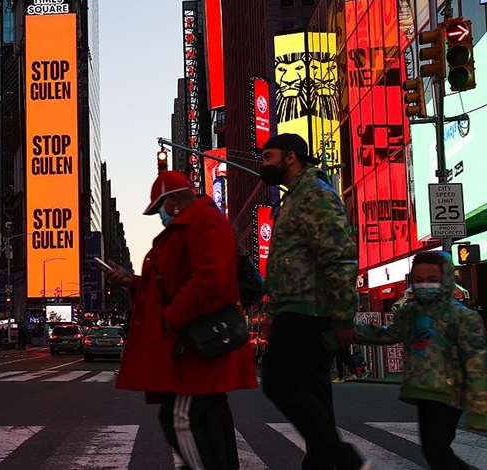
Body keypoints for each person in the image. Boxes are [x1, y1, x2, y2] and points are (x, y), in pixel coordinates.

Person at [105, 171, 256, 470]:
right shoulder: (194, 223)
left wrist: (170, 319)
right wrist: (132, 282)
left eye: (159, 208)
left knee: (179, 416)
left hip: (194, 345)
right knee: (208, 418)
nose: (160, 216)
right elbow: (172, 281)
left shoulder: (202, 222)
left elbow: (209, 278)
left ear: (173, 200)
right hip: (194, 342)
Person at [258, 134, 369, 470]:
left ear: (290, 157)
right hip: (297, 308)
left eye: (268, 156)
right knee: (314, 393)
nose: (264, 164)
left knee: (279, 381)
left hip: (307, 309)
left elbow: (339, 257)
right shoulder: (296, 197)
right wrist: (272, 313)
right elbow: (286, 262)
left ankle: (343, 459)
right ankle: (323, 463)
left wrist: (343, 315)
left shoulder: (315, 194)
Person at [357, 251, 486, 469]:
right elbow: (388, 334)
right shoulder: (410, 313)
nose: (425, 285)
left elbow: (477, 365)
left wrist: (479, 411)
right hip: (423, 391)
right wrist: (349, 331)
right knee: (434, 450)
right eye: (419, 280)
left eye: (432, 279)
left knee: (436, 450)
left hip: (450, 392)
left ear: (446, 279)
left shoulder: (463, 317)